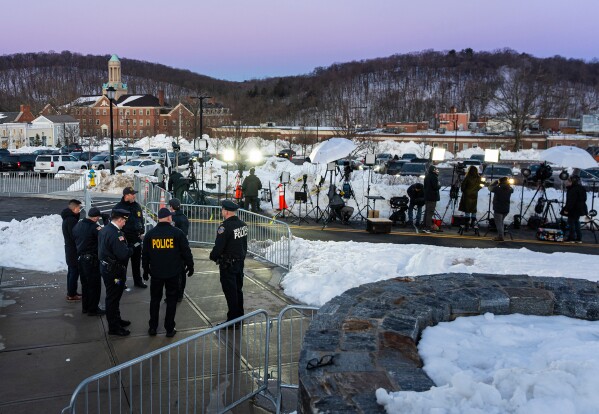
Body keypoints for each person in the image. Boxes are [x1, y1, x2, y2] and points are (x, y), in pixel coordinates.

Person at [143, 208, 194, 338]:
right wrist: (190, 265)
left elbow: (145, 255)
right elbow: (186, 251)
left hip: (156, 274)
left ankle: (153, 327)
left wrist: (145, 270)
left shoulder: (150, 234)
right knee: (171, 301)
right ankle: (169, 329)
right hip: (173, 273)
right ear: (169, 218)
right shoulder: (177, 233)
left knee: (155, 300)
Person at [209, 200, 248, 324]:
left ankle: (232, 320)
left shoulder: (224, 227)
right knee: (238, 290)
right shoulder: (243, 225)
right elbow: (244, 245)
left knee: (230, 292)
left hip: (228, 265)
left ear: (225, 211)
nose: (222, 211)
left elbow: (219, 247)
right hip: (239, 263)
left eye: (222, 210)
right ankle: (239, 317)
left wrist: (213, 256)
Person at [98, 209, 134, 336]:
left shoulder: (105, 229)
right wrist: (131, 249)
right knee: (113, 297)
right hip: (114, 273)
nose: (124, 223)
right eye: (124, 221)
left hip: (108, 269)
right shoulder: (115, 234)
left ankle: (117, 320)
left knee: (114, 297)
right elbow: (123, 254)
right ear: (119, 220)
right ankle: (114, 327)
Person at [72, 207, 104, 315]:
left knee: (85, 285)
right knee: (94, 285)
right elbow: (103, 238)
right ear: (95, 218)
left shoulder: (78, 225)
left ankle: (85, 307)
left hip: (81, 259)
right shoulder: (95, 227)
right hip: (91, 260)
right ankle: (93, 309)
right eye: (98, 217)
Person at [114, 187, 146, 288]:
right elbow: (114, 224)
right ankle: (120, 282)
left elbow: (141, 219)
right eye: (132, 194)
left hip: (136, 239)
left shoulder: (136, 206)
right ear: (126, 195)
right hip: (124, 239)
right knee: (122, 263)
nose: (134, 196)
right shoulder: (118, 207)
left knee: (136, 262)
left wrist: (142, 231)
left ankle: (138, 281)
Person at [169, 198, 190, 301]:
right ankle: (180, 293)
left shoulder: (172, 218)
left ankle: (175, 294)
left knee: (173, 273)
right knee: (182, 273)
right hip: (183, 248)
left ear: (171, 207)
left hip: (173, 249)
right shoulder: (184, 217)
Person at [61, 199, 82, 302]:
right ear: (74, 208)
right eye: (79, 208)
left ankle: (72, 291)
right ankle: (72, 294)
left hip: (70, 248)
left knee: (72, 271)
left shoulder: (69, 218)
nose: (80, 210)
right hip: (73, 249)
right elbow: (75, 235)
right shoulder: (71, 220)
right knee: (74, 271)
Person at [562, 175, 588, 243]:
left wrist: (567, 209)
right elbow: (584, 199)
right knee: (576, 222)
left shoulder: (572, 189)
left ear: (572, 181)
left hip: (573, 209)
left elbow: (571, 201)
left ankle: (571, 238)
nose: (567, 182)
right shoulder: (581, 188)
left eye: (568, 181)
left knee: (571, 223)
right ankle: (579, 238)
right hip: (579, 208)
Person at [489, 176, 513, 242]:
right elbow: (512, 190)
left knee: (499, 223)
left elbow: (490, 188)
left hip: (498, 208)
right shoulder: (509, 188)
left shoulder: (498, 188)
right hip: (506, 208)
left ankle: (500, 236)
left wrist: (494, 183)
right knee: (501, 222)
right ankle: (501, 235)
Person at [458, 166, 483, 231]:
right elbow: (480, 186)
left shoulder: (467, 177)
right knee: (473, 209)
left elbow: (463, 186)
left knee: (467, 209)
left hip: (467, 195)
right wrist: (477, 189)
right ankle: (473, 222)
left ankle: (467, 223)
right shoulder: (478, 178)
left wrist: (464, 190)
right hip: (474, 195)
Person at [423, 165, 441, 231]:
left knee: (427, 211)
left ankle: (425, 224)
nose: (437, 171)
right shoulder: (434, 177)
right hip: (432, 197)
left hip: (427, 197)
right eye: (435, 170)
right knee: (430, 212)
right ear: (433, 170)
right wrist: (439, 185)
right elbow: (435, 187)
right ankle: (428, 226)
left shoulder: (427, 176)